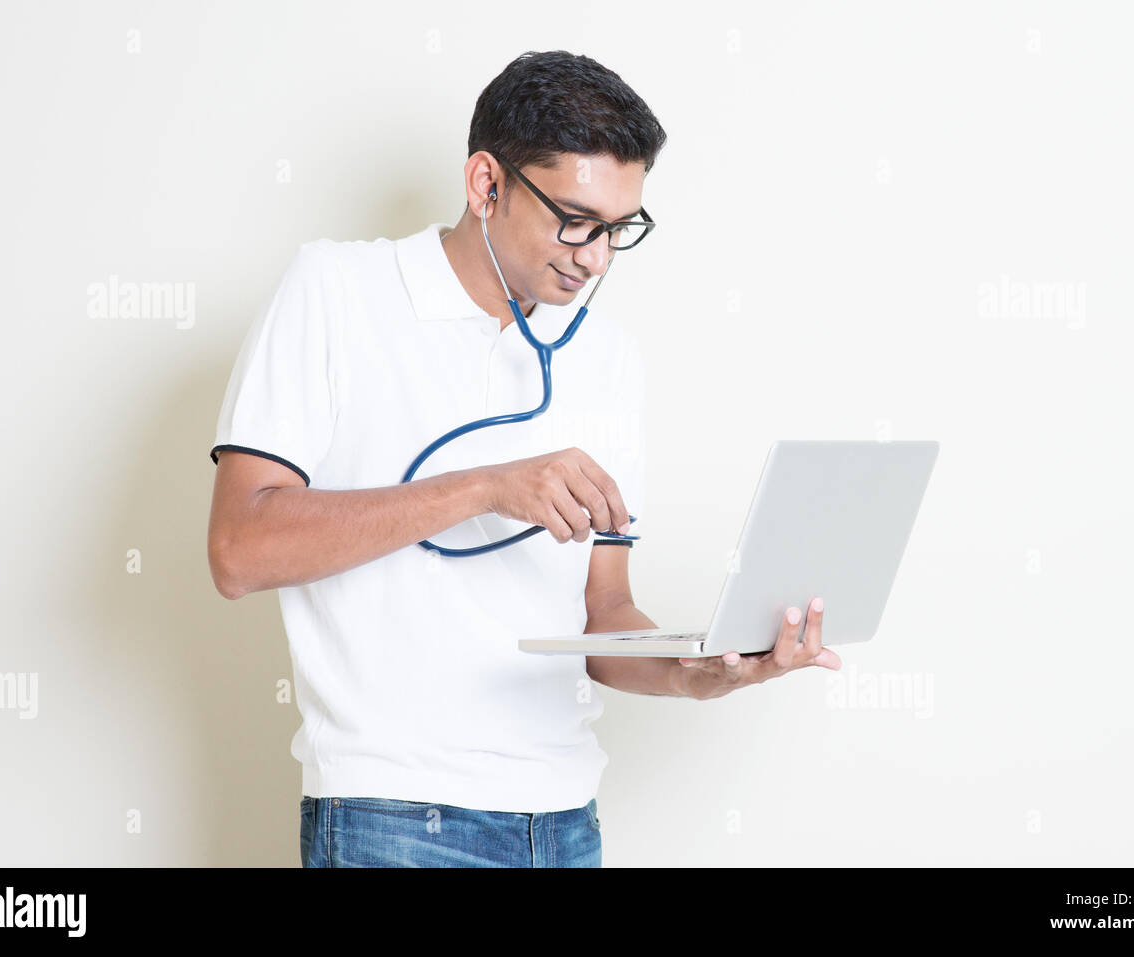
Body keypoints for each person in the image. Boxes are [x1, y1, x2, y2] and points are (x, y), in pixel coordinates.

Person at [206, 49, 838, 868]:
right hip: (391, 815)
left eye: (618, 230)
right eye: (574, 219)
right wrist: (489, 486)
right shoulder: (336, 290)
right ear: (486, 184)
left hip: (563, 820)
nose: (595, 257)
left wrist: (698, 672)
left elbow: (604, 614)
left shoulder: (608, 357)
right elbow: (238, 550)